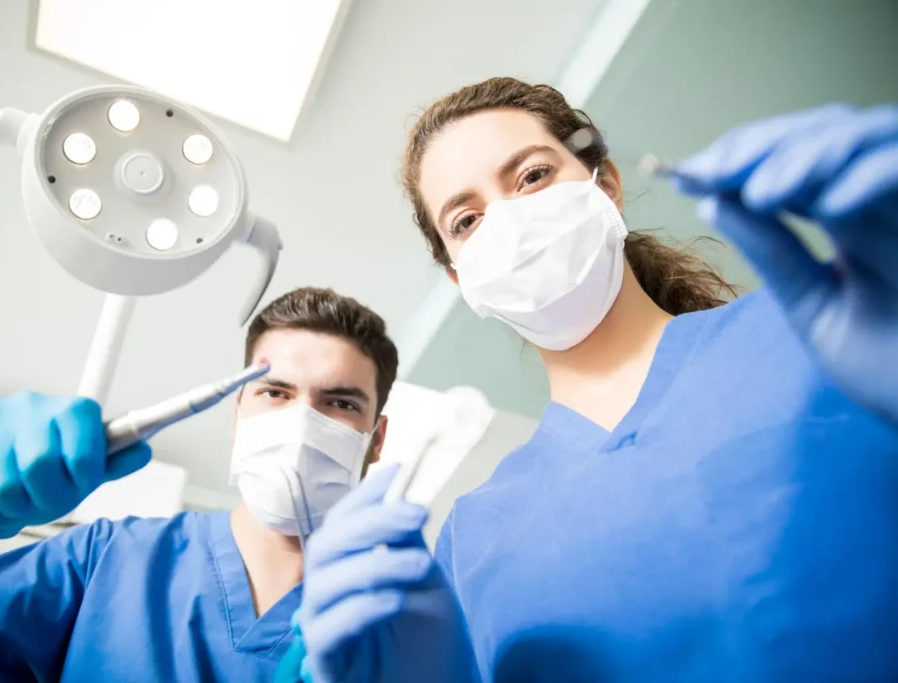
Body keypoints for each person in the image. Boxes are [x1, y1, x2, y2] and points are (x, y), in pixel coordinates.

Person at [295, 78, 898, 682]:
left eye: (531, 177)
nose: (509, 223)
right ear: (461, 280)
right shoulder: (469, 547)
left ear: (604, 184)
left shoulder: (823, 335)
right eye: (468, 219)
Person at [0, 286, 399, 683]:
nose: (302, 423)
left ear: (376, 440)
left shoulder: (397, 629)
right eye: (276, 393)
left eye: (340, 403)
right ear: (238, 413)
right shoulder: (103, 560)